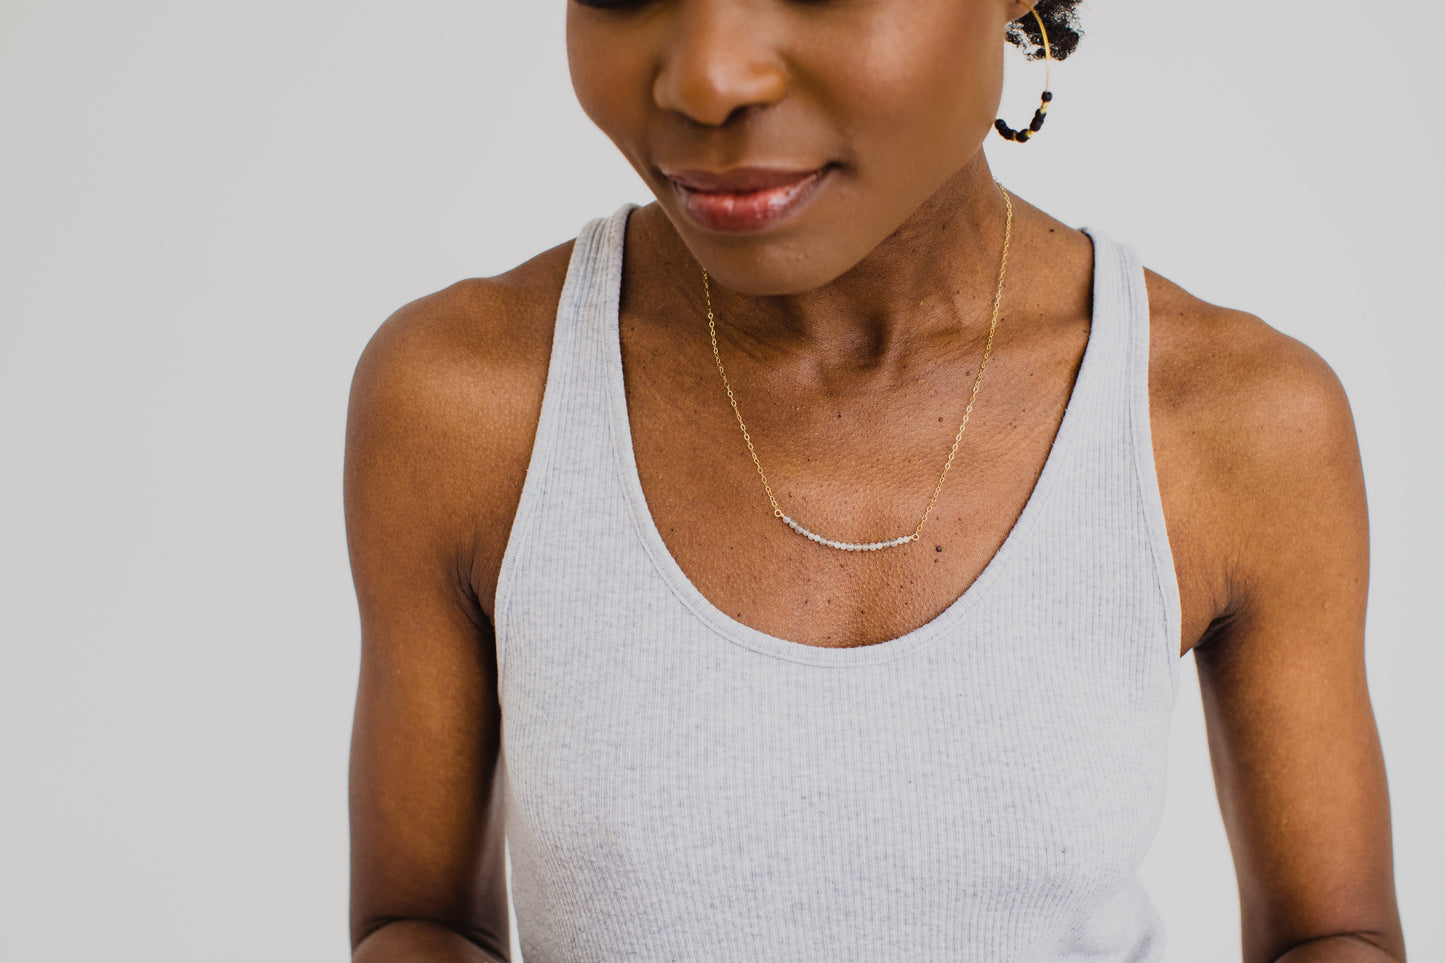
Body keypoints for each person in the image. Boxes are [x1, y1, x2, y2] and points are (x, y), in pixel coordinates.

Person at [342, 1, 1404, 960]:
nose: (705, 78)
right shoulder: (468, 402)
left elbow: (1333, 935)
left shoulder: (1231, 422)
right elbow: (420, 921)